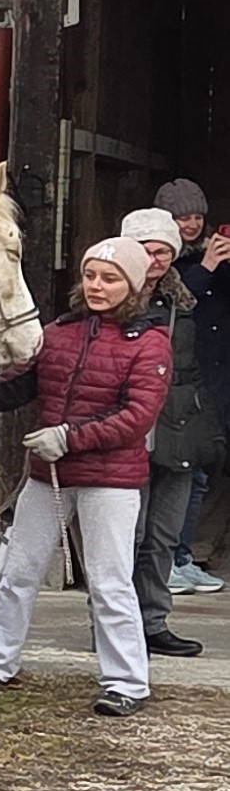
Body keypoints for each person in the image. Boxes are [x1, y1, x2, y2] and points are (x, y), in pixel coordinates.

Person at [0, 237, 169, 717]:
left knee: (109, 583)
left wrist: (68, 436)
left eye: (110, 278)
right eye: (91, 275)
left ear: (133, 285)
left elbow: (137, 417)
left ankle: (127, 682)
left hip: (110, 482)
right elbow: (17, 388)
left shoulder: (150, 342)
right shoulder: (57, 332)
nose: (97, 285)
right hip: (48, 475)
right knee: (18, 574)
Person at [118, 209, 224, 657]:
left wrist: (206, 426)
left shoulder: (185, 301)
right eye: (147, 249)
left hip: (178, 427)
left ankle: (153, 623)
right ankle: (115, 624)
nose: (156, 259)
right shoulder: (109, 299)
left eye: (164, 250)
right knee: (128, 535)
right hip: (127, 430)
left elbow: (196, 368)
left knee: (163, 536)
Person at [159, 176, 230, 591]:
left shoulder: (209, 256)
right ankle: (167, 560)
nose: (190, 224)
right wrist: (207, 267)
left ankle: (180, 557)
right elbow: (176, 303)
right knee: (178, 470)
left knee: (201, 468)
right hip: (179, 379)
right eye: (181, 217)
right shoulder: (160, 259)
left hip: (211, 376)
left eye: (197, 217)